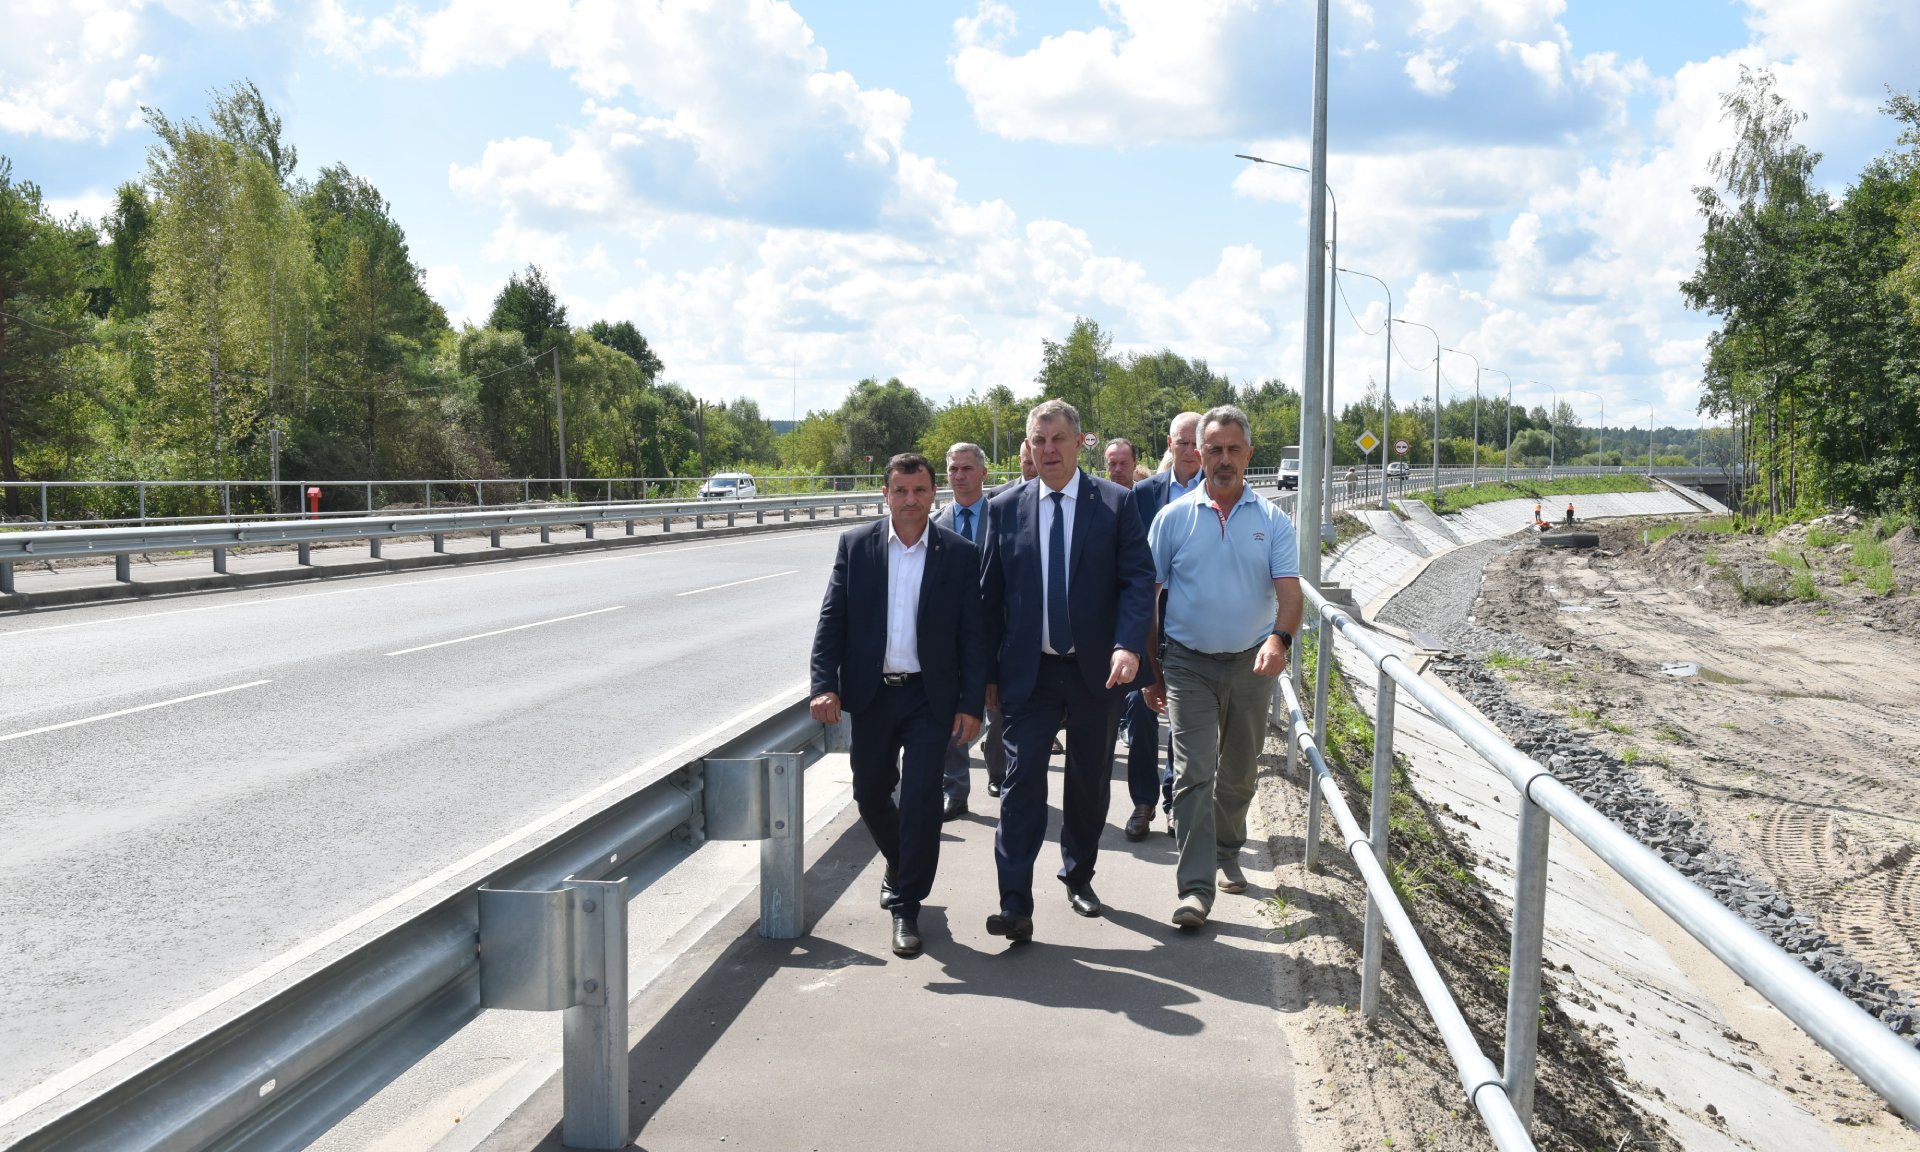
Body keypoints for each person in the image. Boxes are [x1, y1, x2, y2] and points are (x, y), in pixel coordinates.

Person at [979, 399, 1153, 942]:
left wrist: (1128, 646)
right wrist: (985, 674)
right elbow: (989, 597)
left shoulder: (1116, 503)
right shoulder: (1004, 507)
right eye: (1039, 440)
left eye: (1058, 439)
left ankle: (1079, 875)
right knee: (1020, 782)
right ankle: (1014, 901)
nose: (1048, 449)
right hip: (1028, 674)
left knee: (1088, 781)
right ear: (1028, 448)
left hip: (1097, 672)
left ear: (1080, 443)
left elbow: (1136, 580)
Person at [810, 453, 986, 958]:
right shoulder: (856, 545)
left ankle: (907, 904)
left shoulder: (958, 553)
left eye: (920, 490)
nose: (911, 500)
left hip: (930, 697)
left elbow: (973, 636)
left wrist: (971, 703)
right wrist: (824, 684)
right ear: (885, 494)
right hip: (872, 694)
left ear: (934, 494)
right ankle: (902, 860)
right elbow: (832, 620)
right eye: (901, 491)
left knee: (922, 799)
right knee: (869, 791)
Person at [1143, 405, 1303, 930]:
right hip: (1187, 664)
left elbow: (1289, 594)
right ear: (1198, 453)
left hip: (1252, 664)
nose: (1224, 459)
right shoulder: (1173, 519)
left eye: (1234, 449)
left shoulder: (1272, 521)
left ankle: (1227, 850)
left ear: (1249, 455)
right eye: (1214, 449)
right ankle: (1195, 888)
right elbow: (1148, 599)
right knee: (1194, 773)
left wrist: (1279, 640)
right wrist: (1151, 671)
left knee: (1238, 774)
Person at [1124, 411, 1205, 838]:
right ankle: (1143, 802)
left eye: (1196, 443)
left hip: (1192, 617)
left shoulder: (1218, 492)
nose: (1189, 451)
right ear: (1169, 445)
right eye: (1182, 442)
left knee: (1183, 710)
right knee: (1139, 704)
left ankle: (1175, 800)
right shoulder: (1142, 494)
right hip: (1145, 613)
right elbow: (1127, 557)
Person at [934, 443, 1004, 818]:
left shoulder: (1004, 518)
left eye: (966, 469)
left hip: (999, 633)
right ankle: (956, 789)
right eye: (953, 469)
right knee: (954, 712)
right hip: (953, 639)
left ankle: (1000, 773)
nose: (959, 476)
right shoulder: (934, 524)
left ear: (983, 473)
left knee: (999, 711)